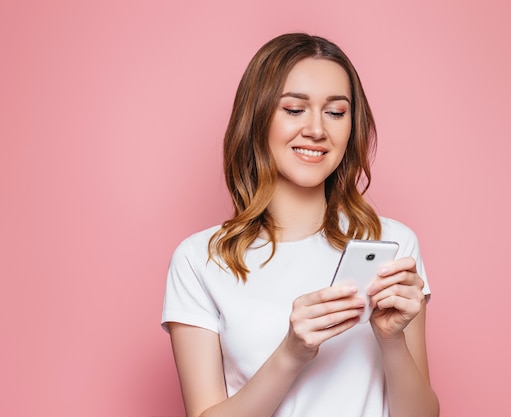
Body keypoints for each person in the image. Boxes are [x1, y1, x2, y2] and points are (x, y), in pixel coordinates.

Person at [161, 32, 439, 417]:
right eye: (294, 109)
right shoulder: (200, 260)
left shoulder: (392, 243)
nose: (316, 130)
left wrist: (391, 339)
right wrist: (292, 353)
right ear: (256, 118)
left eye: (336, 112)